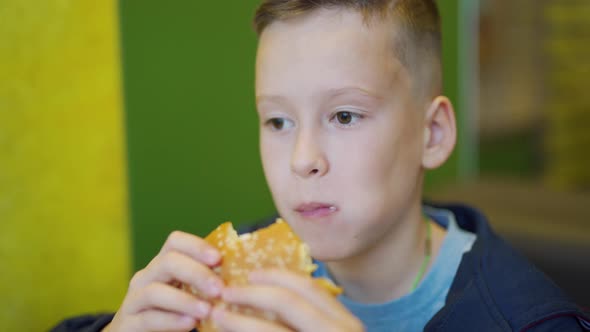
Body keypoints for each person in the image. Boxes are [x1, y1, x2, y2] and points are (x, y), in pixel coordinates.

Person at [53, 0, 590, 331]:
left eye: (345, 115)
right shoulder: (228, 283)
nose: (303, 159)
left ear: (432, 134)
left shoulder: (530, 320)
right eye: (278, 122)